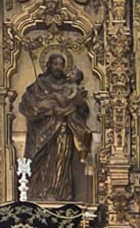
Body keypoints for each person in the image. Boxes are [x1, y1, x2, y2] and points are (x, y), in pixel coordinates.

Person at [18, 53, 91, 203]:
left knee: (61, 160)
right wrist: (42, 107)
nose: (58, 67)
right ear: (49, 65)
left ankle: (60, 194)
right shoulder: (39, 84)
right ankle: (38, 192)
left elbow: (82, 111)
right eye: (55, 63)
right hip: (41, 132)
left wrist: (77, 103)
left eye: (61, 64)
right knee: (41, 163)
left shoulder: (69, 86)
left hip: (63, 130)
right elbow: (27, 106)